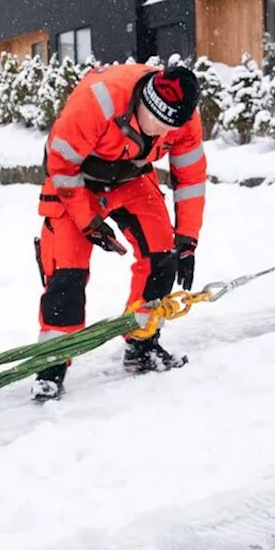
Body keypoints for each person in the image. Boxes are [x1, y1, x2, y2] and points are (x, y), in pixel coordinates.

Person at [31, 62, 207, 401]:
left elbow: (191, 179)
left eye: (167, 127)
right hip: (76, 181)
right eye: (152, 119)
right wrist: (87, 221)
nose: (157, 131)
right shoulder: (98, 100)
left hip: (132, 178)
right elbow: (61, 166)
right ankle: (50, 365)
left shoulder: (185, 120)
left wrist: (187, 239)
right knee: (66, 274)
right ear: (142, 97)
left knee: (161, 256)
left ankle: (142, 342)